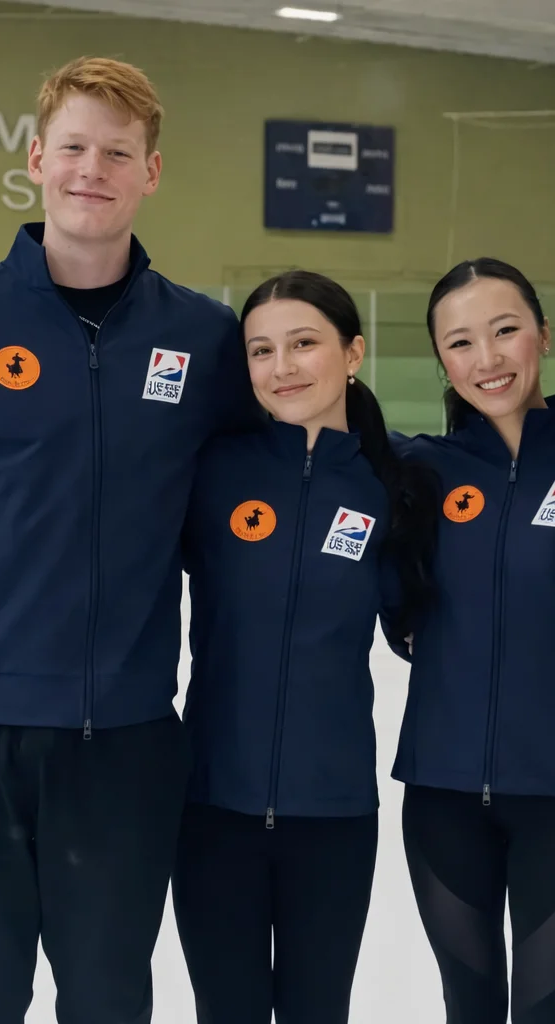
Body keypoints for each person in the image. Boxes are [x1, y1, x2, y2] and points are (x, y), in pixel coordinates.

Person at [0, 57, 258, 1023]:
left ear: (152, 173)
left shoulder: (204, 340)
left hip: (123, 742)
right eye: (77, 148)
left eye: (119, 153)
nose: (95, 169)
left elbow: (251, 509)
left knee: (108, 1002)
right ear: (37, 158)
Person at [172, 270, 437, 1024]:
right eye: (261, 351)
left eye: (302, 344)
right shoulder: (213, 472)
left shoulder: (399, 484)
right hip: (211, 803)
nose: (281, 366)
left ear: (352, 353)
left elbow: (432, 613)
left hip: (334, 812)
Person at [385, 258, 555, 1023]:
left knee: (549, 1011)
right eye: (461, 342)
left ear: (543, 334)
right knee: (469, 1006)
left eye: (506, 330)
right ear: (441, 359)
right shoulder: (420, 469)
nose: (488, 359)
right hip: (443, 793)